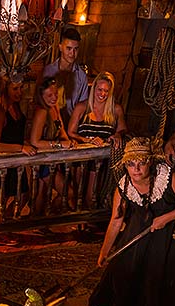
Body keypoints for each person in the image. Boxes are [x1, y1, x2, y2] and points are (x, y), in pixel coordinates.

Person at [90, 138, 175, 306]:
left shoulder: (168, 179)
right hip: (139, 226)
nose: (136, 169)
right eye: (131, 164)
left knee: (160, 268)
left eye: (142, 163)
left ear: (151, 161)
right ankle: (114, 303)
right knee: (125, 261)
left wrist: (166, 218)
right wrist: (103, 252)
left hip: (168, 230)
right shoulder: (124, 186)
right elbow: (116, 221)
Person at [68, 71, 127, 207]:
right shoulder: (82, 107)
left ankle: (89, 223)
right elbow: (70, 132)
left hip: (101, 161)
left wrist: (118, 135)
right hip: (80, 158)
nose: (102, 94)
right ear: (93, 88)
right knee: (77, 193)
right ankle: (78, 225)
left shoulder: (115, 110)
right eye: (99, 89)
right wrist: (86, 140)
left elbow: (123, 129)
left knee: (91, 196)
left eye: (106, 91)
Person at [0, 76, 36, 217]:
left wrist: (25, 143)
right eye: (15, 89)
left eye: (21, 88)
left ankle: (7, 221)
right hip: (3, 159)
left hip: (16, 160)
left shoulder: (15, 105)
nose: (19, 92)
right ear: (5, 89)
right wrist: (20, 147)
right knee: (2, 197)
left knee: (24, 194)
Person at [29, 76, 75, 216]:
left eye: (56, 93)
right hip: (42, 159)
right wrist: (60, 145)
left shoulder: (54, 108)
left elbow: (60, 129)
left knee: (42, 194)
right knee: (67, 192)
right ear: (41, 96)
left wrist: (69, 142)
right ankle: (41, 221)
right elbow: (35, 141)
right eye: (49, 95)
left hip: (52, 158)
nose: (54, 97)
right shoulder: (41, 112)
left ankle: (41, 223)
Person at [41, 27, 89, 117]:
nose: (72, 53)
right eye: (69, 48)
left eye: (76, 49)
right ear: (60, 47)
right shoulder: (48, 72)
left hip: (70, 123)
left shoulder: (82, 77)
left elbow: (83, 106)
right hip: (48, 121)